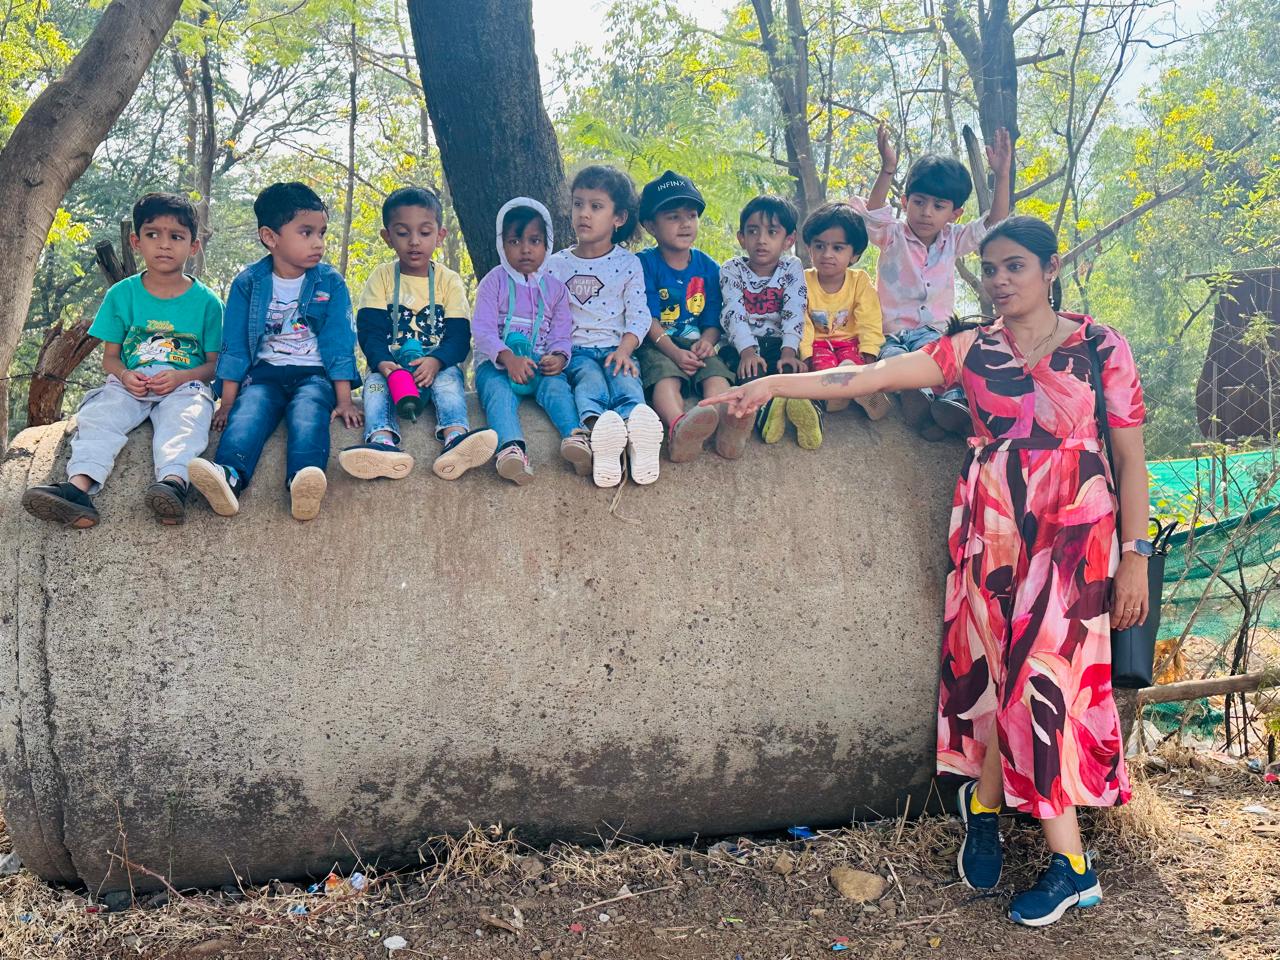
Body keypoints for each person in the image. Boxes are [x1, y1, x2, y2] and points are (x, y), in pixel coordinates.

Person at [704, 215, 1149, 928]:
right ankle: (984, 806)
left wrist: (1137, 556)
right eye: (991, 270)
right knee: (1006, 678)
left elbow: (1130, 460)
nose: (1000, 281)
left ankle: (1071, 867)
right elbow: (866, 374)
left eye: (1015, 267)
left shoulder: (1101, 345)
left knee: (1043, 681)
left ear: (1051, 267)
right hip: (994, 532)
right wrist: (776, 384)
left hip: (1077, 537)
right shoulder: (971, 350)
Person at [21, 192, 223, 528]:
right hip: (131, 383)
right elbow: (110, 360)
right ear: (136, 242)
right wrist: (126, 375)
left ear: (193, 246)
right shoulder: (121, 295)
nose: (164, 244)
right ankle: (78, 489)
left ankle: (172, 486)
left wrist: (181, 377)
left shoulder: (208, 303)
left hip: (183, 386)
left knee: (185, 421)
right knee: (99, 416)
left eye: (176, 236)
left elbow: (213, 366)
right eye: (152, 234)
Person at [188, 181, 362, 522]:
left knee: (309, 412)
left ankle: (303, 480)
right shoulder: (248, 283)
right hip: (264, 373)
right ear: (270, 237)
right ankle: (229, 476)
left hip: (314, 374)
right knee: (249, 412)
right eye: (306, 232)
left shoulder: (330, 282)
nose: (319, 243)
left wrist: (343, 399)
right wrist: (228, 400)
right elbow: (235, 345)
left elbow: (341, 340)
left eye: (322, 233)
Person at [853, 124, 1011, 440]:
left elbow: (994, 222)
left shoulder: (954, 240)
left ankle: (949, 407)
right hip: (890, 332)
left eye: (938, 206)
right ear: (905, 200)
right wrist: (887, 169)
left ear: (954, 213)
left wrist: (1002, 175)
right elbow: (872, 214)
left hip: (934, 334)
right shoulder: (892, 235)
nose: (926, 213)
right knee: (894, 359)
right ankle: (919, 399)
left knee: (947, 363)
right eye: (919, 202)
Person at [338, 186, 497, 482]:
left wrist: (437, 361)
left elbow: (459, 337)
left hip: (436, 362)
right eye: (402, 233)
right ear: (387, 237)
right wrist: (384, 364)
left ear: (440, 236)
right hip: (393, 364)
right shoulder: (382, 277)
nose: (414, 242)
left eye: (424, 233)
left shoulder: (448, 281)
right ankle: (381, 442)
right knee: (374, 387)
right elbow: (370, 331)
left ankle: (455, 437)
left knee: (450, 384)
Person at [545, 165, 663, 488]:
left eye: (596, 206)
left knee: (626, 381)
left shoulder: (628, 264)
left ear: (619, 218)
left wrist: (626, 349)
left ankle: (639, 437)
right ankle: (601, 436)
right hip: (577, 352)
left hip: (617, 348)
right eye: (578, 204)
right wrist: (554, 352)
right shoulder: (557, 264)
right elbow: (549, 316)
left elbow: (639, 314)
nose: (584, 213)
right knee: (590, 382)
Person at [634, 170, 749, 463]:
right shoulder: (644, 264)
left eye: (691, 215)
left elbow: (712, 317)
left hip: (696, 343)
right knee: (664, 377)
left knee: (715, 372)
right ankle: (679, 426)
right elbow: (645, 316)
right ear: (650, 225)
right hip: (657, 343)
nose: (685, 223)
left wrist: (708, 342)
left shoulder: (708, 266)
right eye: (673, 216)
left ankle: (729, 425)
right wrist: (673, 352)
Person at [472, 197, 585, 484]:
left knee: (557, 388)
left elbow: (561, 333)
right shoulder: (493, 282)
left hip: (538, 362)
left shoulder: (556, 290)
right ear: (502, 244)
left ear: (547, 244)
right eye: (514, 241)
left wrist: (558, 357)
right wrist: (507, 358)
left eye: (534, 241)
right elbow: (482, 330)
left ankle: (576, 439)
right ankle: (511, 450)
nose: (525, 249)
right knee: (497, 394)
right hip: (497, 364)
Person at [718, 195, 813, 447]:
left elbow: (795, 308)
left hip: (778, 343)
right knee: (752, 374)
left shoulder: (791, 267)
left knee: (793, 370)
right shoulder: (732, 269)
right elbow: (733, 312)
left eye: (772, 232)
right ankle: (766, 415)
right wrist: (748, 352)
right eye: (753, 231)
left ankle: (807, 412)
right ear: (741, 237)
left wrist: (790, 351)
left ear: (788, 240)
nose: (761, 239)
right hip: (741, 345)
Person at [798, 201, 889, 422]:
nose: (827, 254)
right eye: (819, 246)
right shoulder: (803, 280)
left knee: (853, 361)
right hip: (818, 344)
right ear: (810, 249)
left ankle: (856, 386)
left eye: (837, 248)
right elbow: (801, 322)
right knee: (822, 366)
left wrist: (869, 350)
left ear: (854, 255)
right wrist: (805, 355)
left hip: (850, 342)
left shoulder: (859, 281)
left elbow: (869, 317)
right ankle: (840, 393)